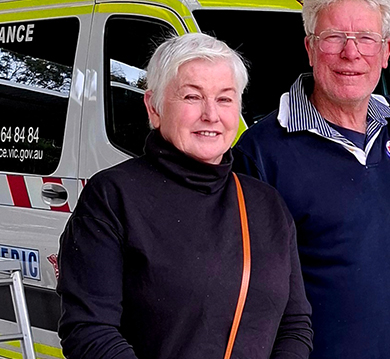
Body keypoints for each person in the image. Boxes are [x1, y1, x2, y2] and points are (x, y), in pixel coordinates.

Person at [57, 33, 313, 359]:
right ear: (154, 107)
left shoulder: (266, 205)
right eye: (192, 97)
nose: (211, 114)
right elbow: (89, 331)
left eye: (224, 99)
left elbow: (294, 324)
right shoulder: (112, 197)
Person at [232, 0, 390, 359]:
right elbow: (244, 295)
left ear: (387, 51)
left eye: (366, 39)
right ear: (309, 47)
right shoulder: (260, 153)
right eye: (334, 38)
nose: (351, 53)